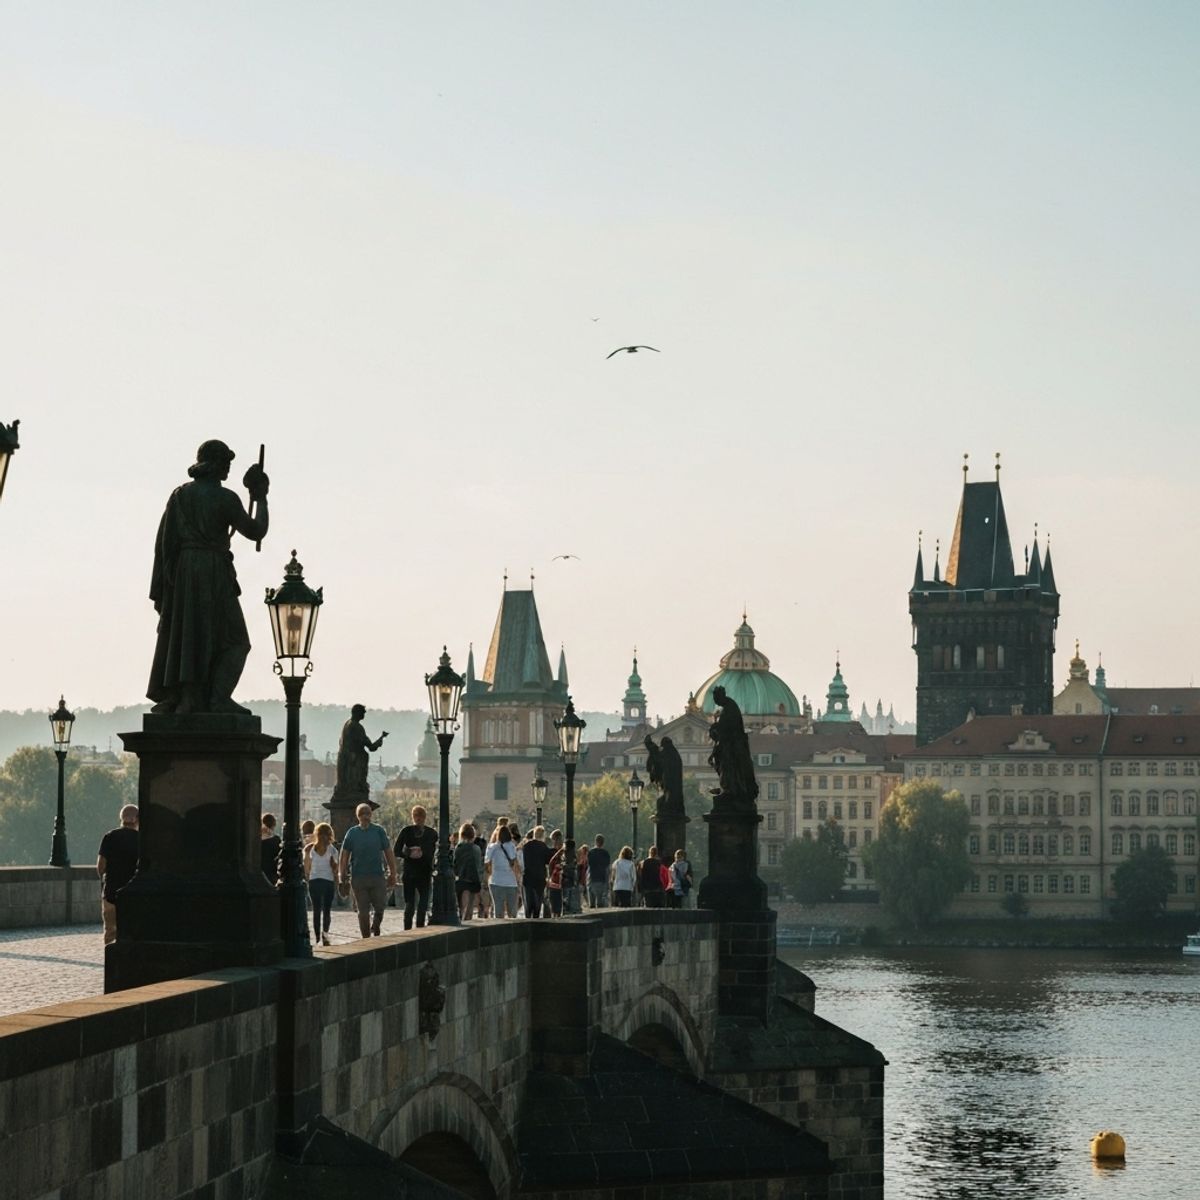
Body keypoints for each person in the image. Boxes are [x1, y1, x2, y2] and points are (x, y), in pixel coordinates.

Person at [147, 438, 269, 714]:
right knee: (236, 640)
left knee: (189, 635)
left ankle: (187, 697)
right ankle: (217, 698)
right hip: (213, 571)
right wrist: (261, 497)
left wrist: (170, 583)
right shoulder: (225, 498)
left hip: (184, 573)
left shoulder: (179, 496)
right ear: (215, 464)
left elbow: (166, 544)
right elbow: (256, 531)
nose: (228, 468)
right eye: (226, 462)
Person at [338, 803, 396, 937]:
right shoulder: (352, 833)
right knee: (363, 911)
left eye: (368, 813)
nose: (365, 816)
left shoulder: (379, 831)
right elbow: (344, 855)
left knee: (380, 907)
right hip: (359, 878)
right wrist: (342, 875)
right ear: (358, 816)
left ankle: (375, 926)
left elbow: (388, 852)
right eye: (362, 814)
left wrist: (392, 872)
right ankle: (366, 938)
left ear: (371, 815)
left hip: (377, 876)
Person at [96, 805, 139, 945]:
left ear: (121, 819)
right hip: (134, 895)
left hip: (111, 892)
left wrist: (104, 882)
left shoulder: (110, 837)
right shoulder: (141, 840)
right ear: (137, 820)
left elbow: (100, 866)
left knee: (110, 933)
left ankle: (111, 962)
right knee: (132, 933)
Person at [394, 805, 439, 930]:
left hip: (424, 871)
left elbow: (433, 851)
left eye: (421, 816)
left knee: (422, 904)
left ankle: (418, 927)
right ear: (413, 817)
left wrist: (421, 852)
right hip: (411, 871)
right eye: (416, 816)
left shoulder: (432, 833)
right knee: (410, 904)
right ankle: (408, 929)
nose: (418, 819)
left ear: (424, 817)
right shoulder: (407, 831)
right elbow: (396, 850)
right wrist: (409, 853)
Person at [305, 822, 337, 945]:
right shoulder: (332, 850)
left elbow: (306, 867)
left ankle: (319, 937)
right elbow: (335, 869)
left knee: (317, 910)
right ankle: (324, 935)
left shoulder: (309, 848)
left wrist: (308, 877)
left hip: (314, 881)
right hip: (327, 881)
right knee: (326, 910)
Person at [486, 825, 521, 918]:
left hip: (496, 881)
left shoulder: (491, 847)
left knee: (498, 910)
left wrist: (490, 875)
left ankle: (498, 930)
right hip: (511, 882)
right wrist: (518, 879)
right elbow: (515, 864)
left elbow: (487, 863)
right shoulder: (512, 846)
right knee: (512, 912)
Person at [453, 822, 483, 919]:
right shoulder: (477, 849)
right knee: (470, 908)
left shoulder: (458, 848)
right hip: (474, 880)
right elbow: (479, 866)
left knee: (462, 908)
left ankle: (462, 921)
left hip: (462, 880)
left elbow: (455, 865)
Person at [521, 826, 551, 918]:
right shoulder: (543, 846)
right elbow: (547, 861)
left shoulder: (526, 846)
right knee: (537, 903)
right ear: (543, 835)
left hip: (528, 877)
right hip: (540, 877)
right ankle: (536, 919)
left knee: (528, 902)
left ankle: (527, 919)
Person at [587, 835, 611, 908]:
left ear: (595, 841)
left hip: (592, 879)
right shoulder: (605, 853)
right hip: (601, 879)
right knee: (600, 904)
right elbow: (607, 868)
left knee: (592, 904)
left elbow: (588, 865)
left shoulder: (590, 852)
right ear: (603, 843)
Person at [546, 830, 565, 917]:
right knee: (559, 908)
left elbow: (549, 868)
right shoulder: (565, 852)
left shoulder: (552, 853)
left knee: (554, 908)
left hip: (553, 884)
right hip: (562, 885)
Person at [561, 838, 580, 914]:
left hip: (566, 878)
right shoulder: (573, 855)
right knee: (571, 898)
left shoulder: (565, 853)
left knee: (566, 898)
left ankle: (566, 910)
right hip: (572, 878)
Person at [260, 813, 281, 884]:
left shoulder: (255, 840)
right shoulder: (277, 840)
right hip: (272, 873)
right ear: (273, 826)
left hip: (260, 871)